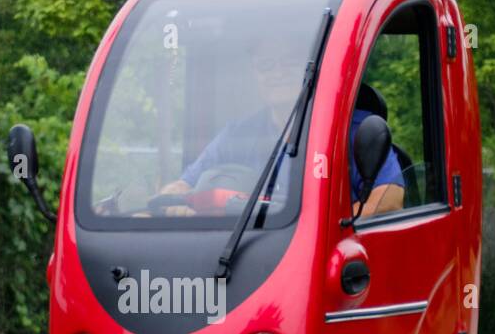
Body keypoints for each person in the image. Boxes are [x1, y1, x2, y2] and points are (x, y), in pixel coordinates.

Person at [155, 34, 405, 216]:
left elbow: (390, 198)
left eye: (291, 62)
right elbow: (183, 185)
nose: (278, 73)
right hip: (242, 251)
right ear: (255, 74)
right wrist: (165, 204)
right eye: (266, 65)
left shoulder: (353, 129)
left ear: (313, 70)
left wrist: (330, 228)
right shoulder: (237, 135)